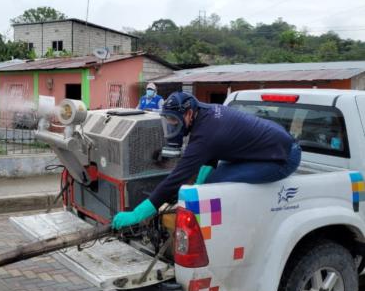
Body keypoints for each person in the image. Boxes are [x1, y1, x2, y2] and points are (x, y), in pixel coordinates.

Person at [112, 91, 302, 230]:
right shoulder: (204, 112)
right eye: (168, 121)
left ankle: (223, 228)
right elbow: (212, 155)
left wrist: (138, 213)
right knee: (210, 178)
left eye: (174, 121)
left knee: (215, 182)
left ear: (188, 114)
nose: (171, 125)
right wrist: (198, 182)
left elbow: (178, 176)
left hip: (283, 158)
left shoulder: (206, 134)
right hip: (271, 148)